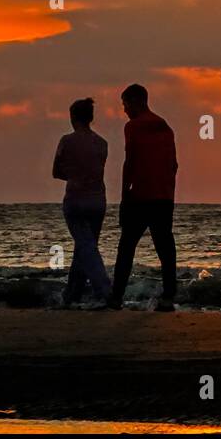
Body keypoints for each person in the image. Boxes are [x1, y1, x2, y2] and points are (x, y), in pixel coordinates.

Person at [108, 83, 179, 311]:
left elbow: (130, 161)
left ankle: (116, 297)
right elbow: (174, 165)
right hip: (164, 197)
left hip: (140, 196)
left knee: (126, 247)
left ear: (137, 101)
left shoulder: (133, 127)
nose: (125, 110)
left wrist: (124, 195)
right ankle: (169, 297)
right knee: (165, 248)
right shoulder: (165, 127)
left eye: (126, 104)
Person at [52, 97, 111, 305]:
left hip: (76, 199)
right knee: (85, 246)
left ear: (73, 118)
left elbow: (56, 171)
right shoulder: (102, 144)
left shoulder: (66, 141)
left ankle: (104, 290)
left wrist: (74, 174)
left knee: (86, 247)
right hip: (98, 200)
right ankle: (72, 294)